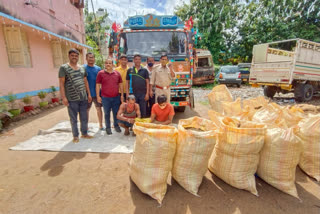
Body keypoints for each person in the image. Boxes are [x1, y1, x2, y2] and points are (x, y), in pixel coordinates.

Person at [59, 48, 93, 143]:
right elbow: (61, 83)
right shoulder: (64, 68)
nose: (74, 57)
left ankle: (84, 133)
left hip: (83, 97)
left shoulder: (82, 68)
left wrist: (89, 94)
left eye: (76, 56)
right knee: (73, 118)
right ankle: (75, 136)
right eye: (72, 55)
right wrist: (64, 97)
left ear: (78, 57)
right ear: (69, 56)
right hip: (71, 98)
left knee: (84, 117)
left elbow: (85, 81)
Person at [96, 58, 124, 135]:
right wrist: (98, 96)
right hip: (105, 98)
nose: (108, 64)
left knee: (116, 113)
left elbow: (120, 85)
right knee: (107, 113)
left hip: (116, 97)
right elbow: (98, 85)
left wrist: (121, 95)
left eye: (109, 63)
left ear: (112, 64)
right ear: (105, 64)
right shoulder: (100, 73)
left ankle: (116, 125)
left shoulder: (117, 74)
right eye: (106, 63)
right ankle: (108, 128)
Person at [84, 52, 104, 130]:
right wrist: (88, 93)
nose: (91, 59)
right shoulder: (83, 68)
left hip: (97, 93)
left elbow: (101, 82)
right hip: (87, 93)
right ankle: (85, 126)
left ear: (94, 59)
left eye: (92, 57)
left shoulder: (98, 69)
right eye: (89, 57)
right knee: (86, 110)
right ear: (86, 58)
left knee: (99, 109)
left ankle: (101, 125)